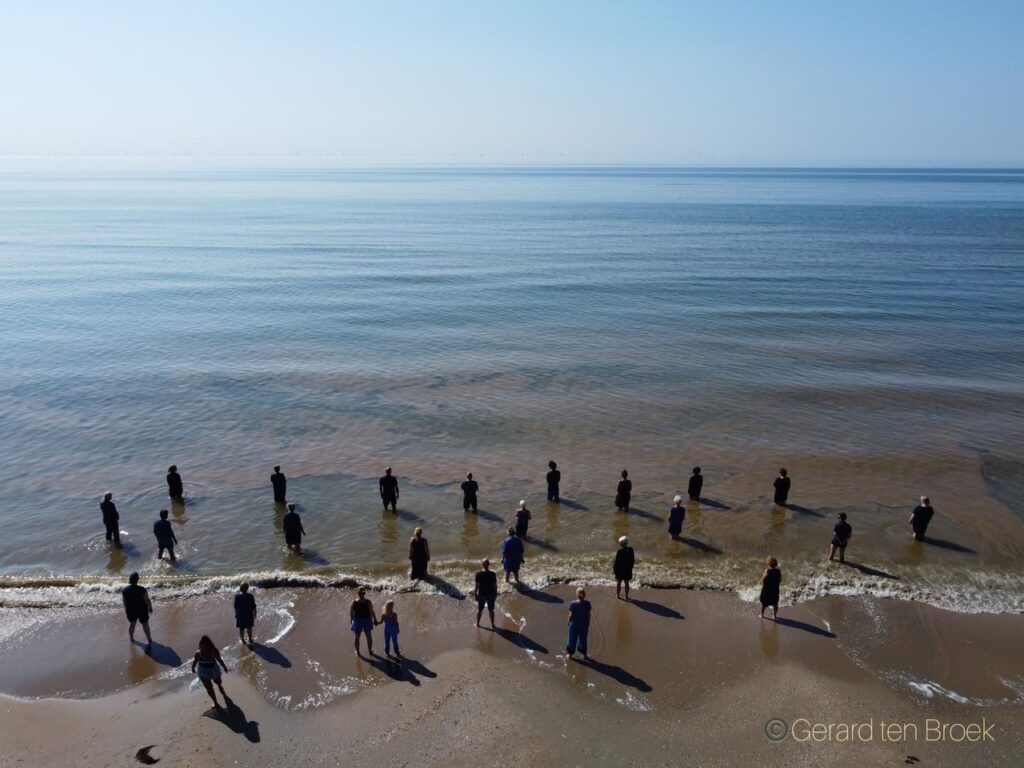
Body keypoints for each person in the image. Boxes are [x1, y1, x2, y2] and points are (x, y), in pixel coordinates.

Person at [191, 635, 229, 710]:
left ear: (209, 645)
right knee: (209, 688)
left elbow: (219, 660)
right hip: (203, 671)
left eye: (205, 647)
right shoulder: (198, 653)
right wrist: (193, 668)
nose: (203, 649)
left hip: (213, 669)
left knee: (218, 682)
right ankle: (215, 702)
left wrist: (224, 667)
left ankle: (220, 686)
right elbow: (195, 661)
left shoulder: (214, 651)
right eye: (201, 647)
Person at [122, 572, 153, 646]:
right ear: (137, 580)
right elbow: (147, 600)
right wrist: (150, 607)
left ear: (130, 580)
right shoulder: (142, 589)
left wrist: (127, 609)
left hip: (131, 610)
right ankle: (149, 639)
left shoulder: (125, 590)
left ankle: (131, 638)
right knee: (145, 624)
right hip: (141, 609)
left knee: (132, 624)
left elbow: (124, 601)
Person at [565, 587, 592, 660]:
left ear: (576, 595)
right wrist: (588, 622)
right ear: (584, 595)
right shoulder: (587, 604)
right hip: (584, 624)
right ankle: (585, 654)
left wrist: (568, 621)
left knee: (572, 639)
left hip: (574, 624)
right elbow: (588, 615)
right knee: (583, 639)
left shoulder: (573, 603)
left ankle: (570, 654)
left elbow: (571, 615)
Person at [350, 586, 377, 656]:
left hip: (357, 620)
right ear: (364, 593)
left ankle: (358, 652)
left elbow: (351, 613)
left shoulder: (354, 602)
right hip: (367, 620)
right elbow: (372, 611)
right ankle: (370, 651)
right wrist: (375, 619)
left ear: (358, 593)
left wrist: (351, 621)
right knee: (368, 636)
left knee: (357, 637)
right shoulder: (368, 602)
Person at [474, 558, 498, 629]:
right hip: (491, 594)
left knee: (480, 609)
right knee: (491, 610)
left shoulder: (478, 574)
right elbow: (494, 585)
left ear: (482, 565)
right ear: (488, 565)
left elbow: (477, 586)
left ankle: (478, 624)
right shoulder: (492, 574)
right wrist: (496, 593)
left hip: (481, 594)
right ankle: (493, 625)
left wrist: (475, 594)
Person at [613, 536, 635, 600]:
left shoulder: (619, 551)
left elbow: (617, 562)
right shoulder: (631, 549)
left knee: (619, 582)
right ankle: (626, 596)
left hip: (620, 570)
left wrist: (614, 569)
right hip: (627, 569)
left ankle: (618, 595)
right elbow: (632, 560)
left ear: (621, 544)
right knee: (627, 583)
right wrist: (631, 567)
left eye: (620, 543)